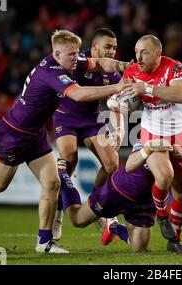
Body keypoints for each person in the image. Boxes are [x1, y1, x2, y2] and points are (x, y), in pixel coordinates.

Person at [0, 29, 133, 253]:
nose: (77, 59)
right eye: (72, 55)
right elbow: (78, 94)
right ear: (57, 54)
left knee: (53, 183)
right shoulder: (51, 71)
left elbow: (97, 63)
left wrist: (124, 65)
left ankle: (44, 242)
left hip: (35, 134)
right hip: (14, 134)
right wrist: (117, 87)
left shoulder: (68, 61)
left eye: (77, 54)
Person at [58, 139, 182, 253]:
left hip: (145, 204)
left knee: (139, 249)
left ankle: (114, 226)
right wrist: (148, 148)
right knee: (77, 220)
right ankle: (63, 174)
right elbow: (130, 165)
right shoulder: (151, 139)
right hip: (120, 190)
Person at [121, 35, 182, 253]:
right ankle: (162, 216)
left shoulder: (173, 67)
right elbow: (125, 101)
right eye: (136, 51)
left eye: (144, 52)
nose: (138, 56)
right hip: (151, 133)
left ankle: (174, 241)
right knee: (164, 176)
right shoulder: (132, 72)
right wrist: (121, 103)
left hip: (179, 135)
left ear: (157, 54)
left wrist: (148, 89)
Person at [51, 28, 125, 240]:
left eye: (115, 48)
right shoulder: (77, 60)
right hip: (65, 117)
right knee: (68, 161)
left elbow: (116, 102)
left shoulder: (113, 71)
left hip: (92, 119)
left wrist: (119, 129)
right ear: (94, 47)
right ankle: (57, 213)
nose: (112, 51)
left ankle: (95, 205)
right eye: (108, 47)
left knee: (112, 165)